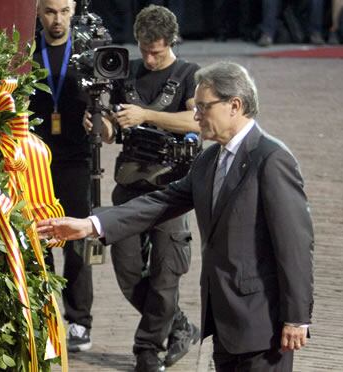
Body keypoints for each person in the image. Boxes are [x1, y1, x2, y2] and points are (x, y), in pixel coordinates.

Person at [39, 61, 315, 371]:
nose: (196, 116)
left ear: (234, 105)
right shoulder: (210, 159)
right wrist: (91, 224)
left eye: (203, 107)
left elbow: (295, 245)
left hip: (263, 324)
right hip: (225, 323)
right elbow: (161, 202)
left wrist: (296, 317)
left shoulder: (271, 159)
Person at [84, 5, 201, 371]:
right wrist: (97, 122)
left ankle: (147, 350)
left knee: (166, 274)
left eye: (158, 52)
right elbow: (111, 132)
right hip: (129, 186)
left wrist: (147, 115)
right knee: (129, 273)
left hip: (171, 191)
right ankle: (178, 323)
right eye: (145, 50)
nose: (150, 59)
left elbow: (196, 119)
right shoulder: (125, 71)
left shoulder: (188, 75)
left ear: (172, 42)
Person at [30, 0, 95, 352]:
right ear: (39, 12)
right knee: (39, 238)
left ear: (74, 11)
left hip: (75, 160)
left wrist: (98, 119)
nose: (58, 19)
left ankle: (79, 321)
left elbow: (106, 105)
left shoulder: (86, 52)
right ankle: (43, 318)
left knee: (76, 241)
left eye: (65, 11)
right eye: (51, 12)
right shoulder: (27, 52)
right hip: (36, 161)